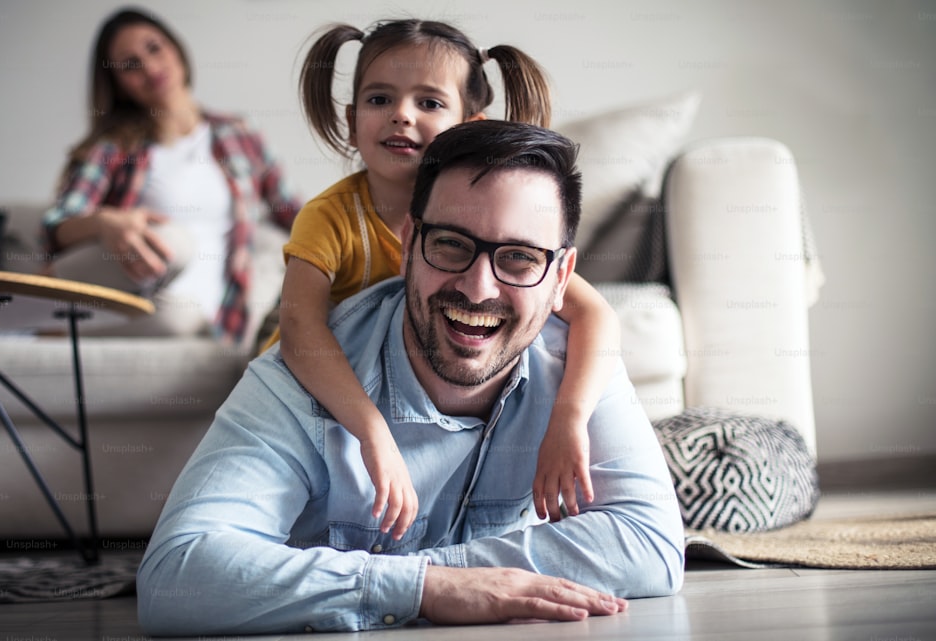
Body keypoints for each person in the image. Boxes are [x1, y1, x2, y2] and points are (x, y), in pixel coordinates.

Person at [137, 120, 684, 636]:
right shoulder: (297, 380)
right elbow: (175, 576)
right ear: (407, 245)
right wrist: (429, 589)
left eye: (518, 259)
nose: (477, 289)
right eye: (450, 244)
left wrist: (434, 578)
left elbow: (652, 545)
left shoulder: (575, 369)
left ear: (561, 277)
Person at [263, 18, 621, 541]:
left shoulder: (489, 224)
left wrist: (568, 420)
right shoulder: (330, 216)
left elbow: (594, 313)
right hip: (328, 390)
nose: (401, 115)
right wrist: (371, 431)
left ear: (468, 124)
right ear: (350, 116)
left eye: (428, 103)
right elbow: (298, 332)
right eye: (379, 99)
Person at [41, 7, 299, 344]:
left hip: (222, 310)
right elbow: (57, 226)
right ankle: (53, 325)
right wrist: (105, 222)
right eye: (130, 65)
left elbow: (290, 210)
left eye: (154, 48)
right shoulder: (114, 148)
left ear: (175, 48)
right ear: (118, 85)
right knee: (175, 255)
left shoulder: (240, 133)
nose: (149, 67)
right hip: (150, 299)